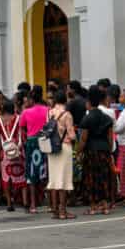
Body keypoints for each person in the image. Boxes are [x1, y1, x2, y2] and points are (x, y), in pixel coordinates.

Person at [78, 86, 115, 215]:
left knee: (91, 178)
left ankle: (93, 206)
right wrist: (109, 151)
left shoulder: (87, 119)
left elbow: (83, 138)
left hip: (91, 151)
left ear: (88, 103)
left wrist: (79, 151)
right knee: (104, 177)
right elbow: (110, 137)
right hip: (104, 150)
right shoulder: (106, 118)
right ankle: (105, 205)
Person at [46, 86, 76, 220]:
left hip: (52, 148)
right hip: (64, 147)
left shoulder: (50, 113)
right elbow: (72, 135)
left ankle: (55, 210)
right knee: (63, 180)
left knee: (54, 180)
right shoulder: (67, 114)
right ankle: (63, 211)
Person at [18, 85, 49, 214]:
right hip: (44, 140)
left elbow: (22, 128)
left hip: (31, 142)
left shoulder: (26, 112)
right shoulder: (47, 109)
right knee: (46, 170)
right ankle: (50, 203)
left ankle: (33, 205)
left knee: (31, 173)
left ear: (31, 99)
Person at [0, 99, 26, 212]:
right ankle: (25, 201)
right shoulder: (18, 118)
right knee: (21, 176)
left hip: (5, 152)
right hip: (18, 150)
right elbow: (23, 133)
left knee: (6, 178)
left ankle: (9, 203)